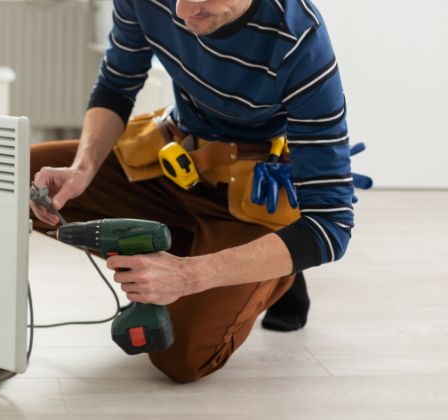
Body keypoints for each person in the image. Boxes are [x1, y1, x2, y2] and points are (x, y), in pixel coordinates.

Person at [30, 0, 355, 382]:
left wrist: (190, 276)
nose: (182, 13)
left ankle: (277, 271)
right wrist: (83, 167)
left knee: (180, 357)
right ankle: (196, 249)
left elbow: (331, 226)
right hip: (170, 160)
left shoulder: (300, 40)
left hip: (249, 198)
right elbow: (117, 82)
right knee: (13, 175)